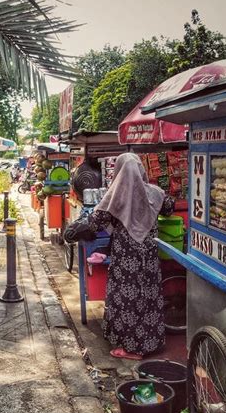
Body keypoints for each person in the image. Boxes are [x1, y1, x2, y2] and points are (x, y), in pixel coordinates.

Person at [65, 153, 175, 360]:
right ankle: (150, 343)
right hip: (149, 255)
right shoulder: (155, 192)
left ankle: (132, 349)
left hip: (126, 257)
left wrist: (74, 229)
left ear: (119, 171)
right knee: (148, 298)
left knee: (127, 300)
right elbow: (169, 206)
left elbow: (96, 222)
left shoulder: (115, 194)